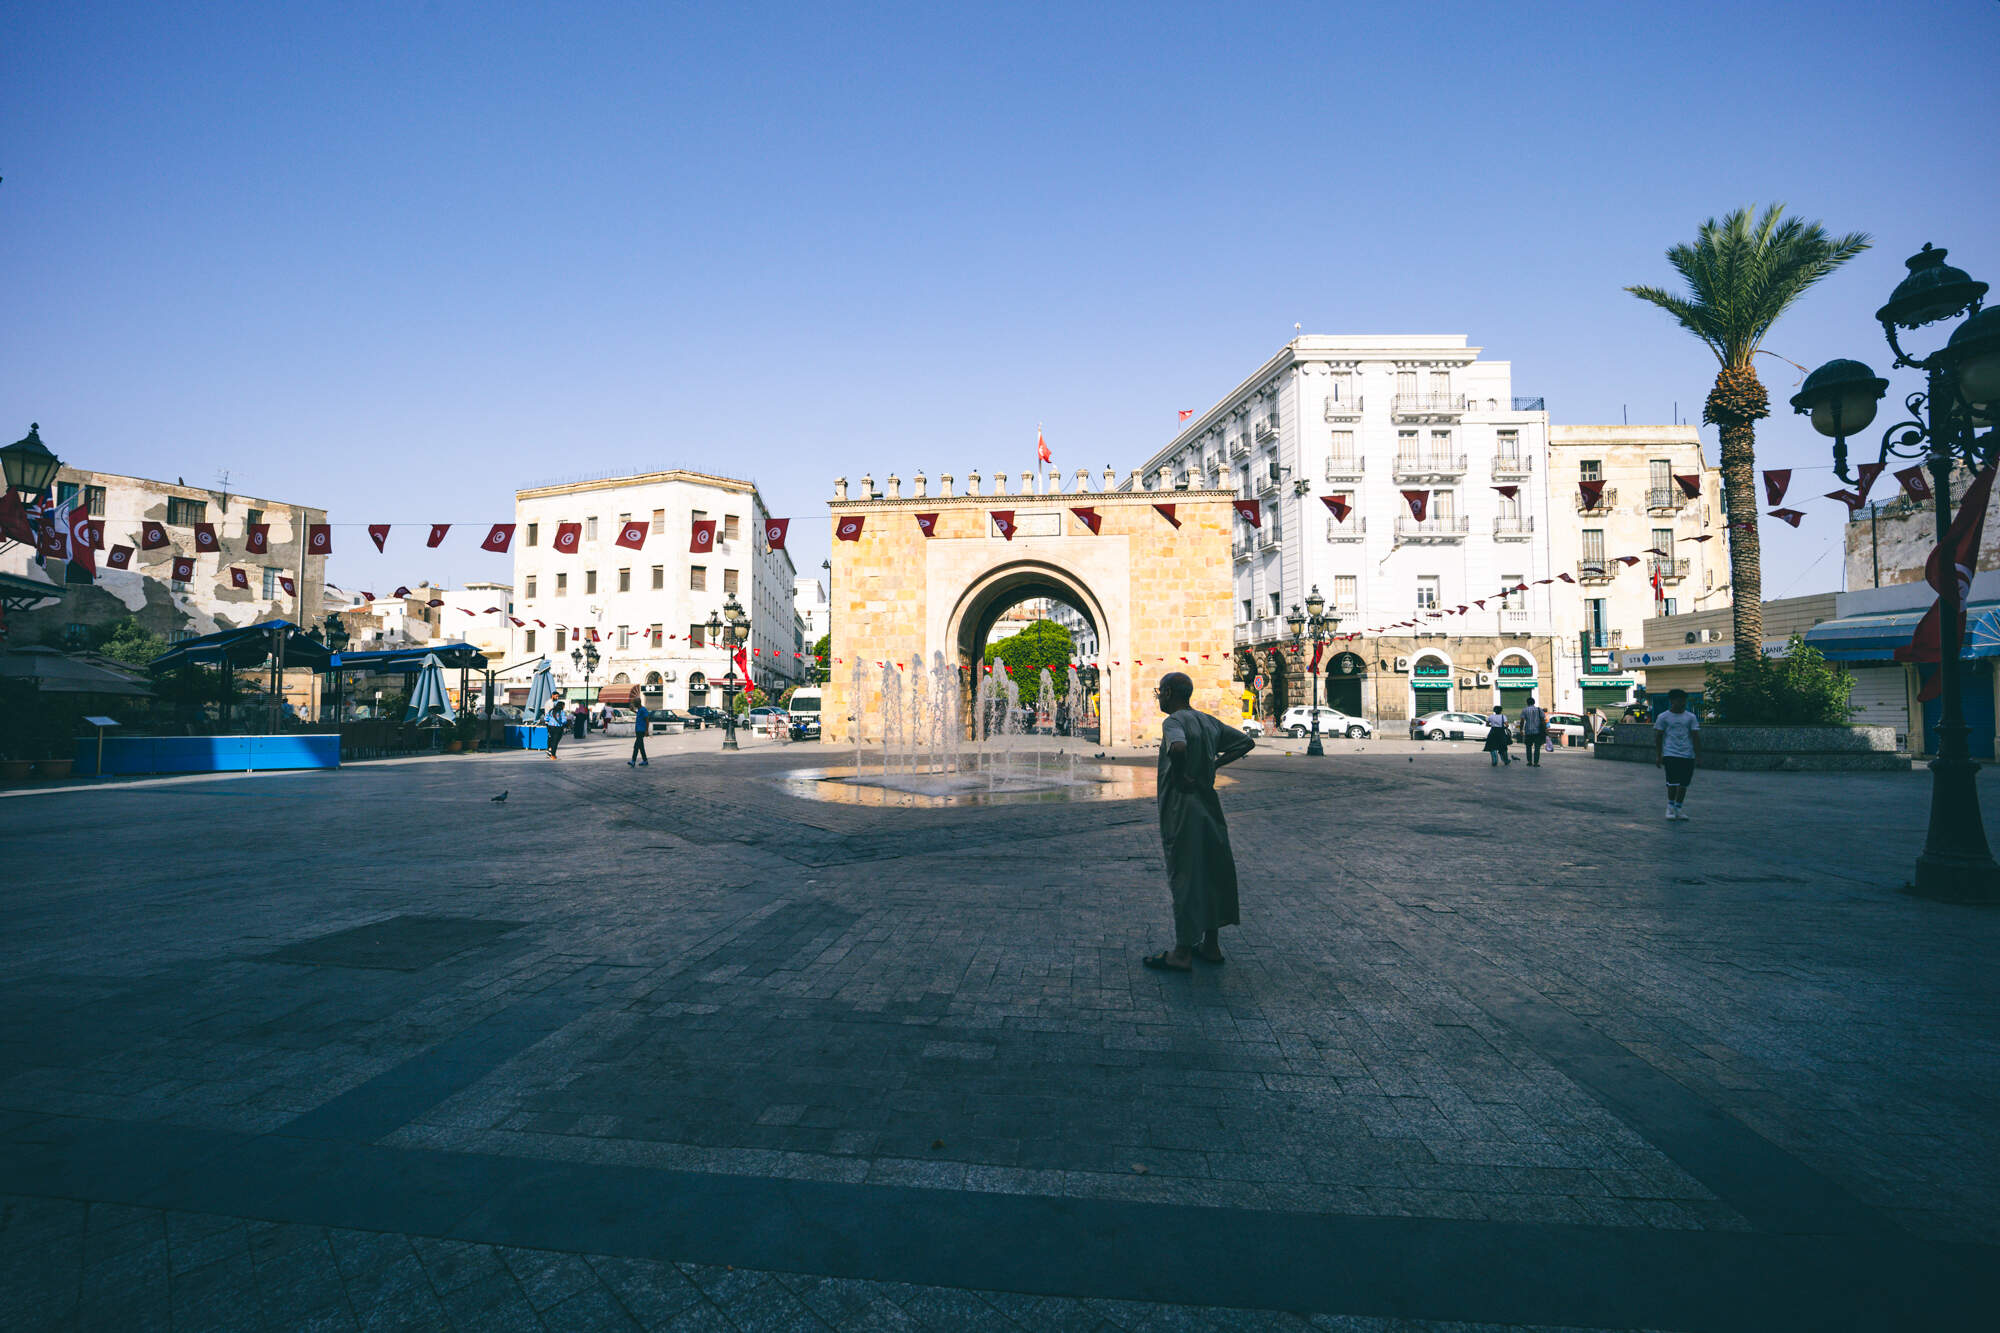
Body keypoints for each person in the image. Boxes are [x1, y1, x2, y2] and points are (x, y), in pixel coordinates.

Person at [1145, 672, 1255, 973]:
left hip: (1183, 808)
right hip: (1210, 806)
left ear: (1169, 692)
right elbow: (1246, 742)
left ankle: (1182, 952)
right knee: (1211, 871)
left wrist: (1182, 776)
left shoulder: (1173, 722)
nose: (1159, 697)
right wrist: (1214, 763)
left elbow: (1178, 747)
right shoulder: (1208, 721)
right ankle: (1211, 944)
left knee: (1185, 875)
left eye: (1160, 692)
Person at [1654, 688, 1701, 820]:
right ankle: (1670, 807)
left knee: (1684, 783)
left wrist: (1698, 755)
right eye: (1679, 700)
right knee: (1672, 783)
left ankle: (1678, 808)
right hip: (1670, 753)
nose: (1682, 703)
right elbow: (1658, 737)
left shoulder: (1690, 717)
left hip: (1687, 754)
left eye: (1684, 700)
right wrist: (1659, 755)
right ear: (1672, 701)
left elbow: (1695, 736)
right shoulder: (1663, 717)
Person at [1518, 696, 1548, 766]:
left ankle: (1529, 762)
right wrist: (1545, 729)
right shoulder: (1539, 709)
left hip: (1528, 731)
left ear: (1527, 703)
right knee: (1537, 748)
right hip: (1537, 731)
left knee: (1528, 747)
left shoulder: (1524, 710)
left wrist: (1521, 730)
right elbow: (1543, 720)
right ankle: (1536, 763)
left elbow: (1522, 721)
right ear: (1534, 702)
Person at [630, 699, 651, 767]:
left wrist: (646, 730)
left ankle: (633, 761)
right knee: (641, 746)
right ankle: (645, 760)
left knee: (636, 746)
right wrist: (633, 711)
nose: (634, 705)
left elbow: (647, 719)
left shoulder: (643, 709)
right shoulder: (639, 710)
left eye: (634, 703)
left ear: (638, 703)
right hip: (638, 730)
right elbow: (639, 715)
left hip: (641, 730)